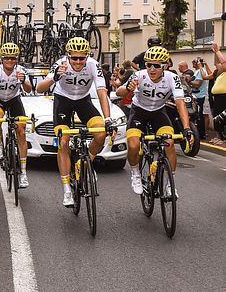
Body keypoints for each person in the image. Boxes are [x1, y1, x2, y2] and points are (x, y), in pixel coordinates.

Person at [36, 37, 115, 207]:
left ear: (87, 56)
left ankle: (82, 164)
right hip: (62, 101)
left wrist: (108, 119)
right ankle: (66, 190)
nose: (78, 61)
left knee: (101, 134)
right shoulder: (60, 64)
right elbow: (39, 88)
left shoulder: (94, 65)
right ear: (68, 56)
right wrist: (55, 77)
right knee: (63, 141)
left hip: (83, 101)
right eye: (74, 58)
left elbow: (102, 92)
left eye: (82, 58)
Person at [116, 46, 194, 197]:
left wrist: (186, 128)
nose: (152, 69)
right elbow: (118, 91)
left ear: (165, 66)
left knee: (169, 143)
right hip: (139, 111)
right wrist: (128, 89)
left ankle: (169, 183)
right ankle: (135, 173)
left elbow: (180, 103)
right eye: (148, 65)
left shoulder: (172, 78)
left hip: (159, 112)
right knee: (133, 144)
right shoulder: (139, 75)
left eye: (156, 66)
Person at [0, 43, 33, 188]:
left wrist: (23, 80)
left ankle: (24, 172)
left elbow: (28, 89)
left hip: (14, 100)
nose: (10, 61)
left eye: (13, 58)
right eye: (7, 58)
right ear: (2, 58)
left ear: (17, 59)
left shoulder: (21, 70)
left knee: (21, 130)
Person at [190, 58, 207, 139]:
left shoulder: (200, 71)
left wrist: (188, 81)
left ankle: (201, 134)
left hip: (199, 96)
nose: (193, 63)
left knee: (199, 115)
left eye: (195, 61)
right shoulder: (197, 71)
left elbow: (197, 84)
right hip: (196, 95)